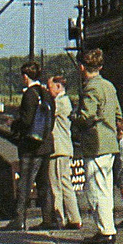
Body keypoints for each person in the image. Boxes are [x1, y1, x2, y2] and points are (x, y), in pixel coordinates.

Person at [71, 48, 123, 244]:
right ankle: (108, 228)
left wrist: (73, 117)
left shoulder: (91, 88)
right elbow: (118, 114)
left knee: (95, 190)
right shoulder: (109, 86)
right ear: (99, 67)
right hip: (109, 144)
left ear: (82, 67)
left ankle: (105, 231)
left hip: (95, 145)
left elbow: (86, 116)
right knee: (106, 189)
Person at [3, 60, 55, 231]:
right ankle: (49, 219)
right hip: (45, 145)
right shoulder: (46, 93)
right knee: (44, 184)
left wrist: (13, 123)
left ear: (25, 77)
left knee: (25, 184)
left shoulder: (30, 95)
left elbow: (26, 121)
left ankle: (19, 220)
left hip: (31, 148)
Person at [47, 76, 81, 229]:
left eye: (50, 87)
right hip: (62, 148)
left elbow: (47, 114)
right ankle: (72, 217)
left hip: (58, 148)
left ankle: (62, 218)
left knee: (58, 184)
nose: (48, 91)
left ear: (58, 86)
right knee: (64, 183)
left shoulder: (60, 102)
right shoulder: (64, 101)